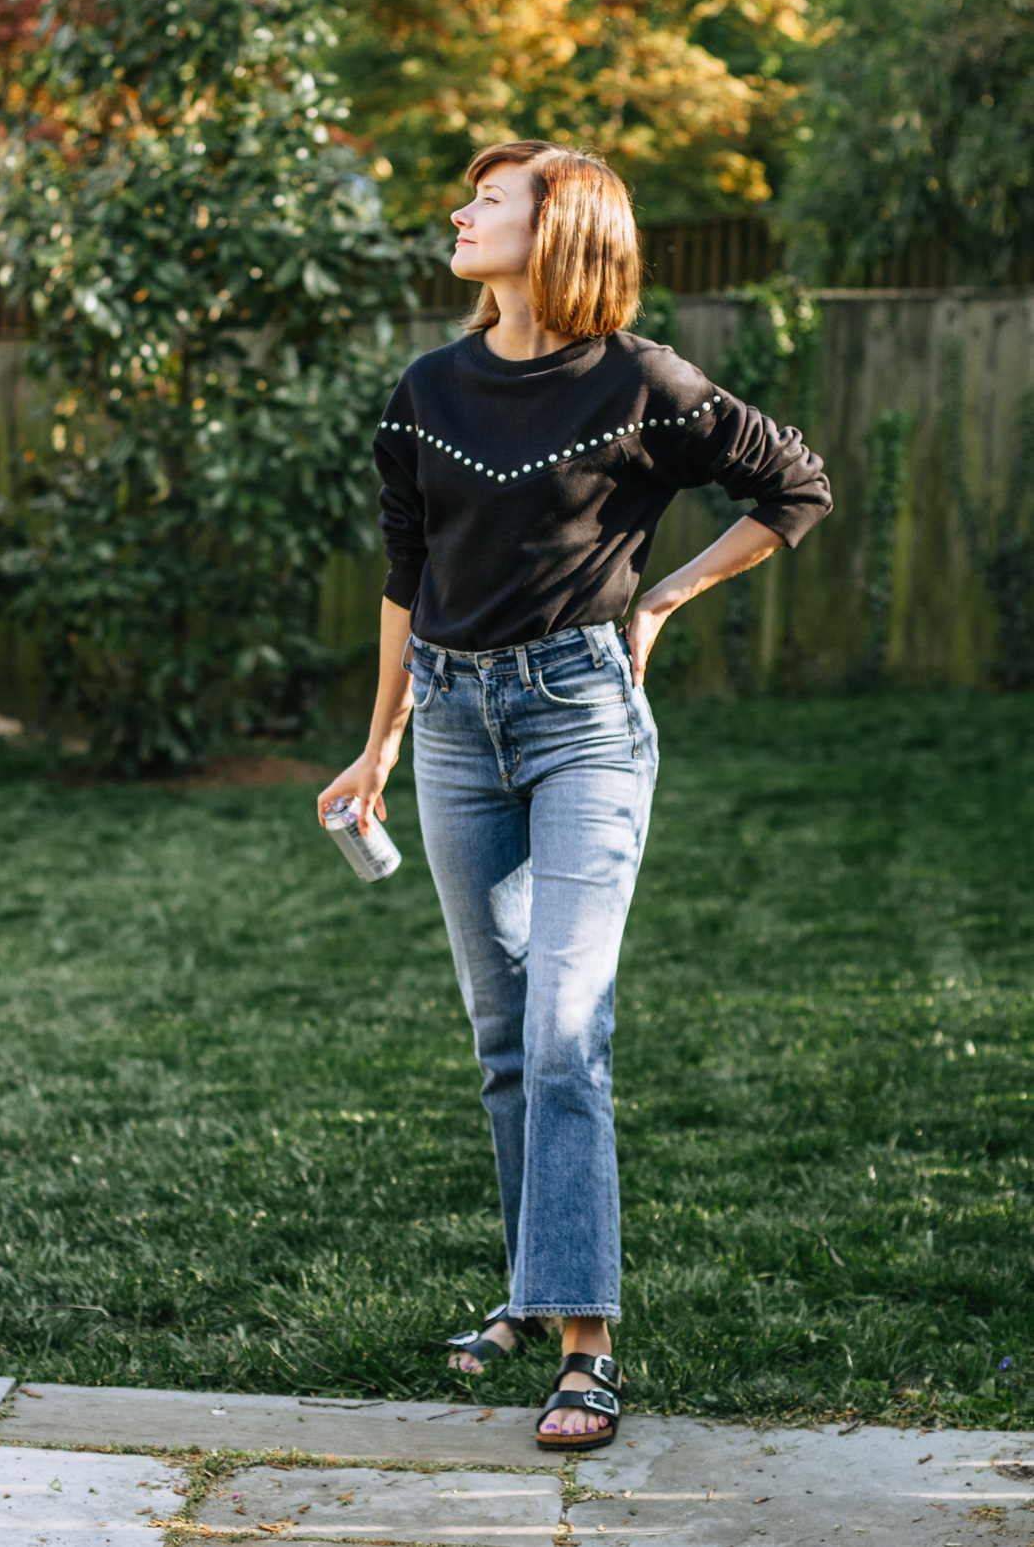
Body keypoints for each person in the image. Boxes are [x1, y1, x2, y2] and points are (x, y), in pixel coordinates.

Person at [317, 140, 831, 1452]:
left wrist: (663, 594)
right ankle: (531, 1296)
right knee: (506, 1042)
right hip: (449, 727)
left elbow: (795, 483)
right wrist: (377, 744)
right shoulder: (423, 392)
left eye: (487, 199)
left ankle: (588, 1349)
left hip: (582, 723)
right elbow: (405, 578)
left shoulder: (637, 382)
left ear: (558, 228)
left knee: (565, 1030)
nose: (459, 211)